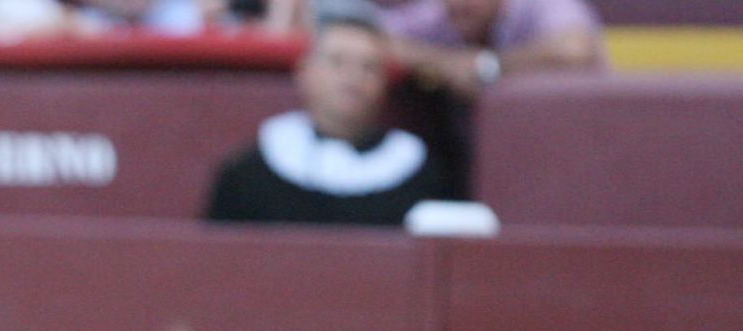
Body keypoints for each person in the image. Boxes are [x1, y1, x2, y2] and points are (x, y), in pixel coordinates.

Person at [204, 5, 453, 227]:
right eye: (337, 62)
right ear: (304, 72)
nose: (353, 77)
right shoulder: (249, 174)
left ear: (385, 82)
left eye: (369, 66)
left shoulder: (419, 175)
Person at [384, 0, 605, 100]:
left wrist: (489, 66)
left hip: (572, 135)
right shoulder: (442, 13)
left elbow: (575, 50)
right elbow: (372, 39)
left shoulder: (541, 5)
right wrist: (446, 62)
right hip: (471, 156)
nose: (459, 4)